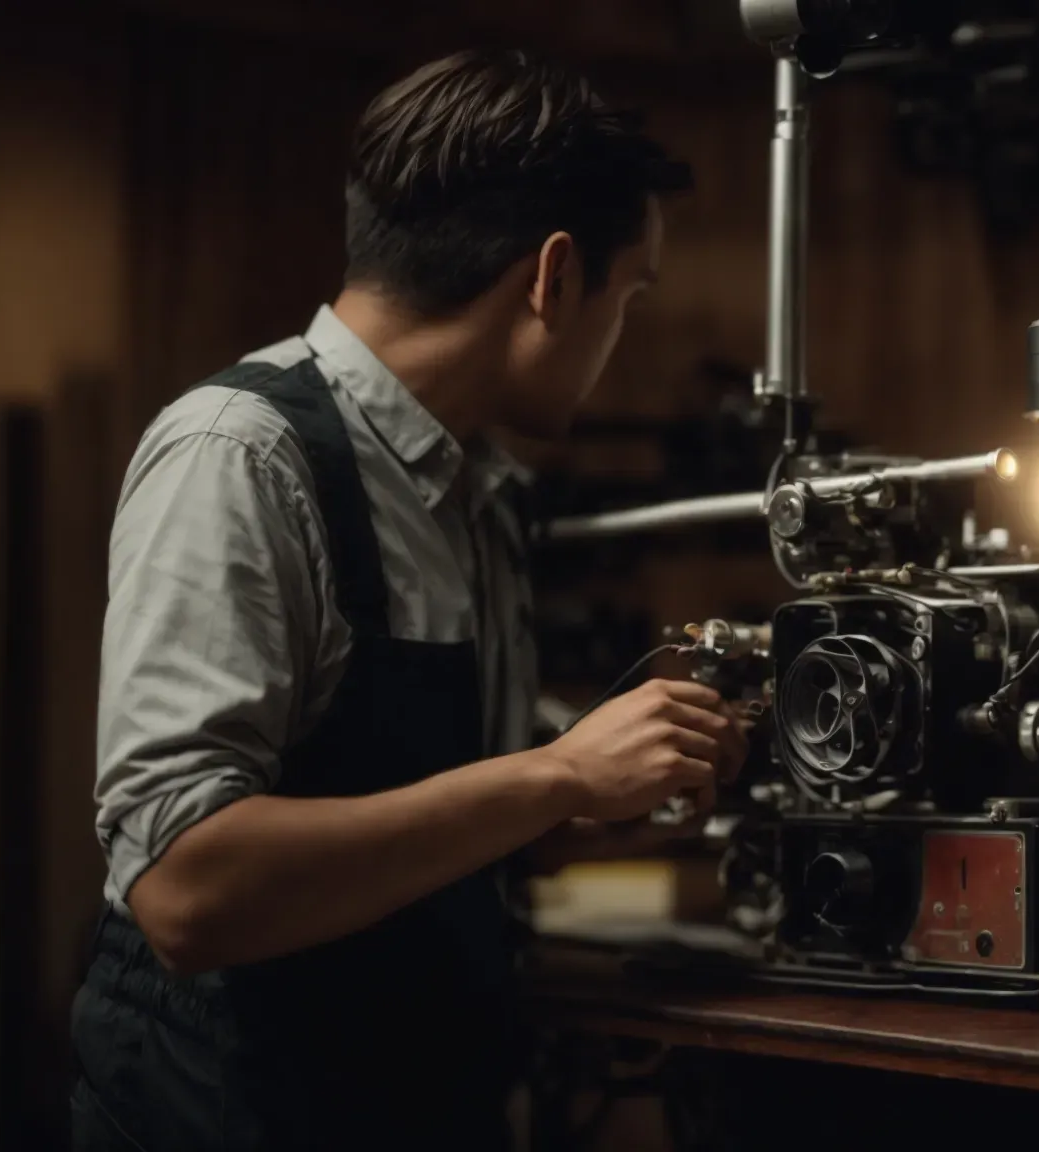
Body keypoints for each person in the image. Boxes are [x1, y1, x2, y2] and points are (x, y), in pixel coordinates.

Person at [69, 48, 739, 1151]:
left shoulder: (478, 492)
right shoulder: (240, 456)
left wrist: (604, 798)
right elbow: (185, 890)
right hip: (232, 1112)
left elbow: (446, 829)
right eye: (629, 297)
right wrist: (559, 774)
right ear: (552, 278)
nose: (621, 342)